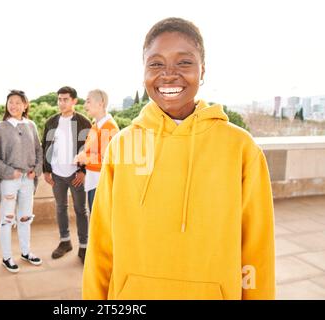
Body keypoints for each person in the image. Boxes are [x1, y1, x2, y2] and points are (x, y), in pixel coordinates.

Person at [82, 17, 275, 300]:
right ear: (144, 71)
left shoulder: (241, 148)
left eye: (184, 63)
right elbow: (101, 244)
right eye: (156, 64)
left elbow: (256, 252)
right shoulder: (122, 146)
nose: (169, 74)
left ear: (203, 70)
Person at [0, 90, 43, 273]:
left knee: (25, 218)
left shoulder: (31, 125)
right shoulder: (0, 127)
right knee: (6, 219)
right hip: (9, 181)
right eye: (10, 102)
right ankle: (7, 257)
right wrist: (8, 171)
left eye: (17, 102)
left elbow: (39, 150)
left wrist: (35, 170)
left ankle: (26, 251)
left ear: (25, 105)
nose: (13, 106)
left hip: (27, 180)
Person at [42, 86, 91, 263]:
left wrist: (83, 171)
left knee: (80, 210)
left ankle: (84, 246)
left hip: (76, 174)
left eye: (65, 99)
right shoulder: (51, 122)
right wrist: (46, 170)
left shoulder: (84, 122)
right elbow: (45, 147)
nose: (61, 103)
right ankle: (65, 242)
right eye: (59, 99)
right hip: (57, 175)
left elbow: (89, 149)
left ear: (74, 101)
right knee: (60, 208)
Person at [74, 89, 119, 212]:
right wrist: (82, 156)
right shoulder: (95, 126)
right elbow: (92, 151)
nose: (84, 106)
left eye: (88, 101)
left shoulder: (109, 127)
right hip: (94, 181)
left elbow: (107, 159)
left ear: (101, 104)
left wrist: (84, 159)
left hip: (102, 183)